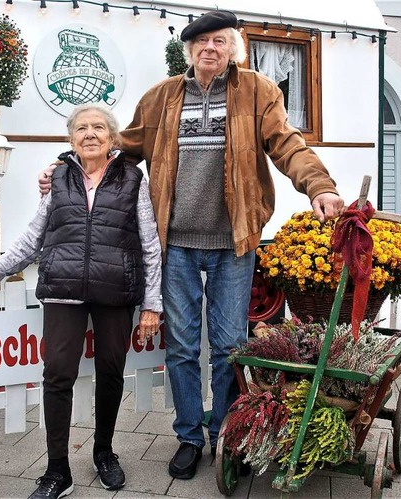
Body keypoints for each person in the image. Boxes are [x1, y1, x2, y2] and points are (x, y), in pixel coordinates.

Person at [38, 10, 345, 481]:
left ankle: (225, 432)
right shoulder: (163, 97)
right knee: (181, 347)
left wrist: (319, 186)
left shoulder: (258, 92)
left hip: (233, 242)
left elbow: (287, 144)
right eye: (202, 42)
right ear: (190, 51)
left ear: (233, 48)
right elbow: (120, 144)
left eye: (220, 41)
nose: (210, 49)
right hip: (175, 244)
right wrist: (65, 165)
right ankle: (188, 437)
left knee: (228, 345)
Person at [0, 104, 162, 499]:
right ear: (71, 139)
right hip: (62, 289)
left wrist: (152, 304)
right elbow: (34, 234)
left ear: (112, 138)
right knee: (57, 374)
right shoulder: (58, 178)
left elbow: (149, 242)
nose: (90, 134)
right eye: (82, 129)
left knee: (110, 372)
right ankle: (58, 470)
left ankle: (104, 452)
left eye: (99, 128)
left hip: (115, 289)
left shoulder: (132, 178)